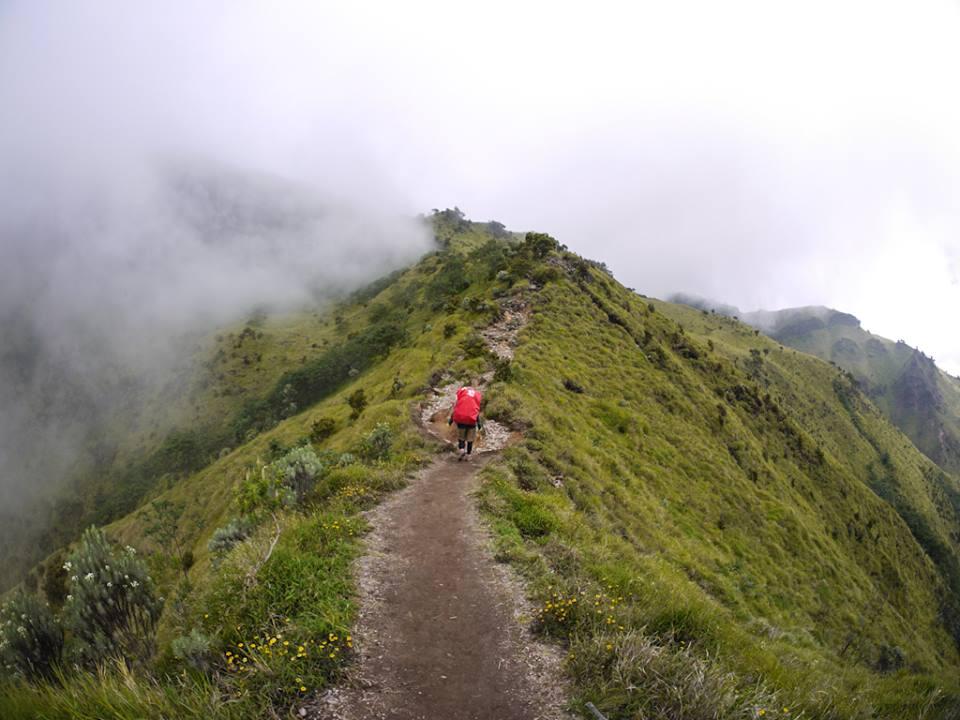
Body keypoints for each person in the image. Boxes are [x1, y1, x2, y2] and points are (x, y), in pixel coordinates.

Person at [448, 381, 483, 461]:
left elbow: (456, 410)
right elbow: (476, 412)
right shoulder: (475, 396)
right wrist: (479, 424)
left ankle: (461, 450)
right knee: (470, 439)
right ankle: (468, 455)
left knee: (461, 438)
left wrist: (451, 420)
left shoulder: (461, 396)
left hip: (461, 421)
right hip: (472, 421)